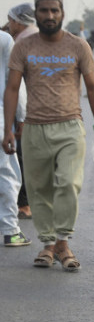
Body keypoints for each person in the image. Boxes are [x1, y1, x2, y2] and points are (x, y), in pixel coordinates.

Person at [2, 0, 94, 272]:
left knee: (69, 185)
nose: (49, 15)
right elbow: (12, 88)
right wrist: (9, 129)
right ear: (35, 15)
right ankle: (48, 245)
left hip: (70, 127)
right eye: (44, 11)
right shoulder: (23, 47)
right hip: (35, 129)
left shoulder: (78, 45)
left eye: (55, 10)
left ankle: (63, 241)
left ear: (62, 13)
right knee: (39, 190)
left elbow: (93, 87)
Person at [6, 2, 37, 219]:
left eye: (10, 20)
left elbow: (19, 85)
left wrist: (21, 117)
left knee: (20, 156)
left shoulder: (22, 42)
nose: (8, 24)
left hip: (25, 107)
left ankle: (24, 204)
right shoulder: (30, 36)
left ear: (18, 21)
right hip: (33, 107)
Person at [1, 29, 30, 248]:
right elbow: (14, 82)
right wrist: (21, 116)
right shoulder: (4, 40)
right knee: (7, 174)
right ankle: (11, 232)